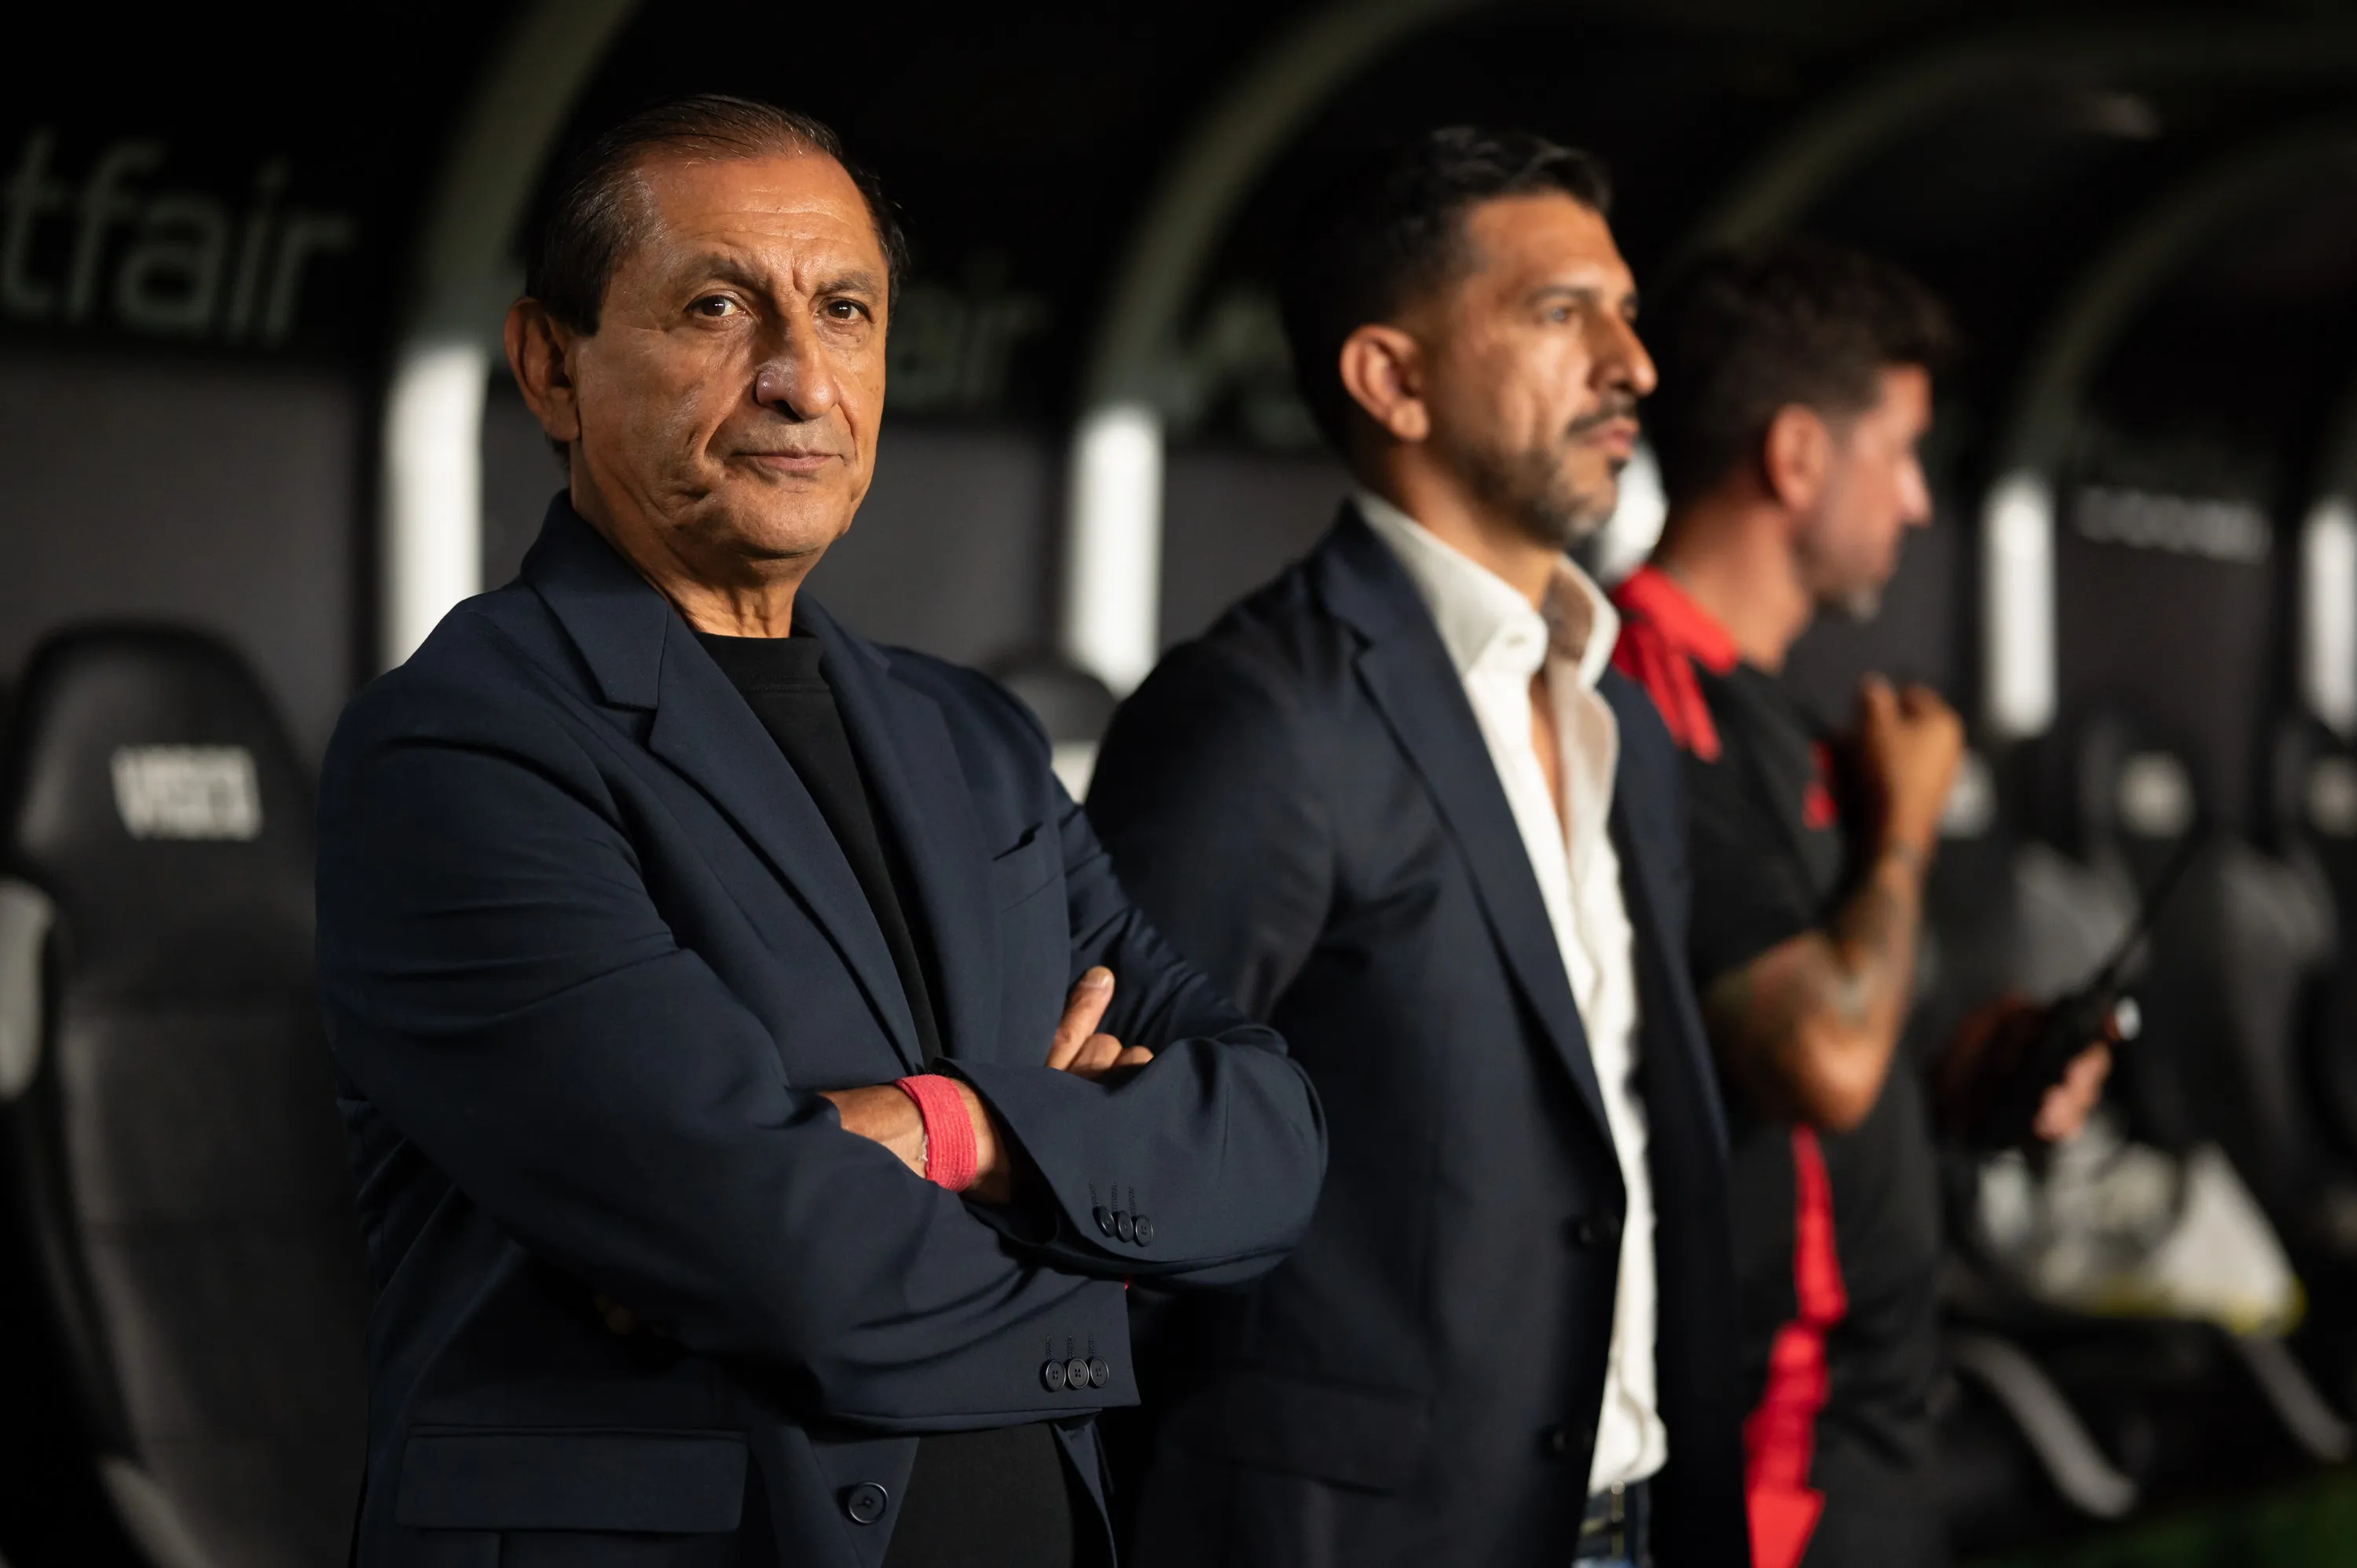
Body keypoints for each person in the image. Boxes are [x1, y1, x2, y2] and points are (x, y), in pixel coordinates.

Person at [314, 94, 1325, 1568]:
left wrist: (950, 1129)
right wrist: (1102, 1216)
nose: (798, 377)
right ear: (550, 366)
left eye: (844, 311)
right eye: (718, 306)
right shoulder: (463, 750)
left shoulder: (970, 741)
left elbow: (1275, 1140)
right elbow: (781, 1252)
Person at [1086, 127, 1748, 1567]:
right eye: (1563, 313)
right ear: (1391, 378)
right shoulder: (1258, 717)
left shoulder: (1611, 713)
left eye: (1627, 314)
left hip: (1634, 1521)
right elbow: (1116, 1207)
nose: (1632, 363)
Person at [1611, 237, 2112, 1568]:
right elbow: (1817, 1058)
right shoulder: (1640, 695)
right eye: (1896, 452)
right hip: (1768, 1452)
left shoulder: (1784, 715)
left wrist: (1979, 1074)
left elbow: (1862, 1057)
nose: (1915, 503)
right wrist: (1901, 838)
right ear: (1793, 457)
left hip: (1878, 1423)